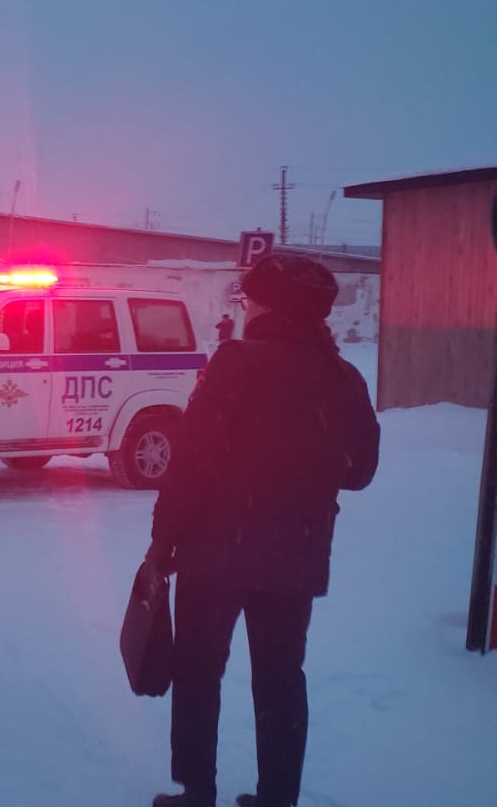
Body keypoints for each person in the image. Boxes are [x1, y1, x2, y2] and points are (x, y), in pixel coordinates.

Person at [146, 255, 380, 807]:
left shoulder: (236, 362)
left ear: (268, 305)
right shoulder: (342, 375)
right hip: (296, 553)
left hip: (214, 551)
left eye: (249, 298)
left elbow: (191, 459)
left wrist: (163, 540)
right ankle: (278, 798)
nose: (244, 307)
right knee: (280, 678)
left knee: (198, 671)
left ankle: (196, 791)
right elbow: (362, 471)